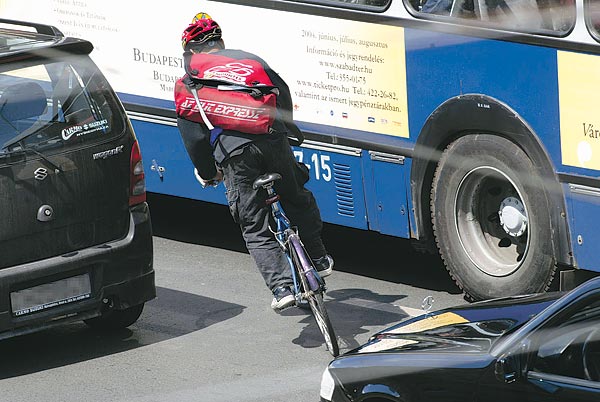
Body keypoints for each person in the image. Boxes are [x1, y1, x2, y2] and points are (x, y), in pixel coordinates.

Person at [175, 13, 334, 311]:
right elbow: (282, 94)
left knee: (254, 225)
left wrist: (209, 172)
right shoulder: (251, 61)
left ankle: (282, 288)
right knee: (297, 198)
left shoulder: (189, 80)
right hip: (273, 140)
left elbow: (194, 137)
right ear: (220, 43)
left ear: (192, 52)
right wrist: (283, 131)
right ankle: (318, 255)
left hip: (235, 154)